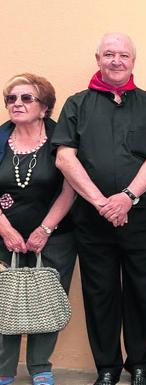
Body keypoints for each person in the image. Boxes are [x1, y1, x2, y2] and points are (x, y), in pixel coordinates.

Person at [52, 33, 146, 385]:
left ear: (134, 61)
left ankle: (139, 366)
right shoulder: (76, 104)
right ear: (98, 58)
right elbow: (64, 156)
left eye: (123, 55)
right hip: (92, 220)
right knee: (99, 293)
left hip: (141, 217)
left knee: (141, 291)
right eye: (109, 54)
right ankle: (106, 367)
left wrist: (127, 197)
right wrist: (102, 202)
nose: (116, 60)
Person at [0, 73, 76, 385]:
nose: (17, 104)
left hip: (55, 236)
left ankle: (40, 366)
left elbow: (70, 188)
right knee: (5, 300)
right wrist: (5, 229)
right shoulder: (0, 139)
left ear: (44, 107)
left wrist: (45, 229)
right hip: (5, 235)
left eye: (26, 98)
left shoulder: (62, 139)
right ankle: (4, 368)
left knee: (46, 297)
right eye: (11, 99)